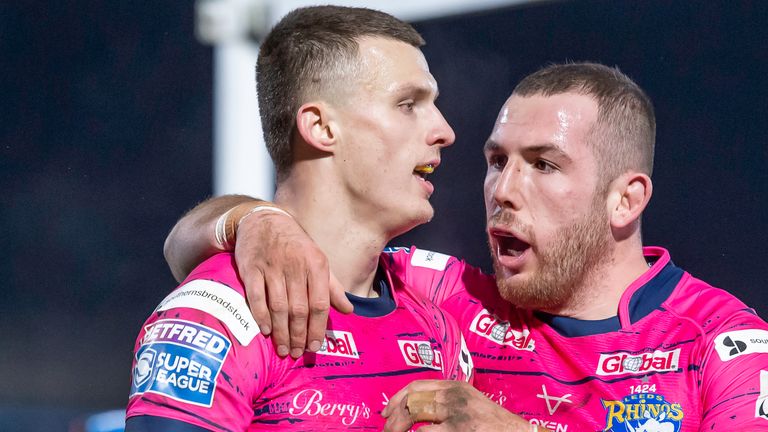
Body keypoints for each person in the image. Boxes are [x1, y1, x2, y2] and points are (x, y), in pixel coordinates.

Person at [165, 62, 768, 431]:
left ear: (626, 200)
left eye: (544, 165)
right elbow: (184, 250)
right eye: (496, 161)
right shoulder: (446, 299)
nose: (503, 191)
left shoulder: (727, 346)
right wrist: (256, 222)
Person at [125, 6, 475, 431]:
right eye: (407, 104)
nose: (444, 130)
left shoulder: (439, 318)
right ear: (321, 126)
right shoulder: (217, 317)